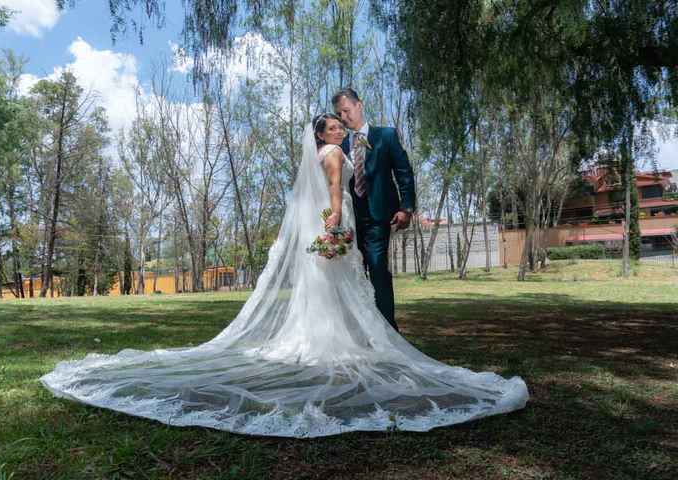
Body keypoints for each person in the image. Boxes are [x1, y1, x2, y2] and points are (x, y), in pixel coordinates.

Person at [40, 117, 528, 438]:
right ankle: (338, 344)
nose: (340, 131)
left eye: (340, 125)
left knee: (326, 293)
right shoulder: (332, 157)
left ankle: (321, 338)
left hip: (318, 233)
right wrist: (335, 223)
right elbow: (335, 194)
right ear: (324, 135)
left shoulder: (313, 159)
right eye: (334, 127)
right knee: (344, 291)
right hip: (331, 229)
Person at [333, 88, 414, 332]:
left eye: (346, 111)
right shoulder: (339, 146)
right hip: (349, 221)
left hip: (379, 216)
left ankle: (389, 331)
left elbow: (403, 172)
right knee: (354, 275)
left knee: (378, 268)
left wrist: (406, 207)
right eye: (339, 114)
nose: (344, 118)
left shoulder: (385, 136)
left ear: (360, 105)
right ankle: (361, 331)